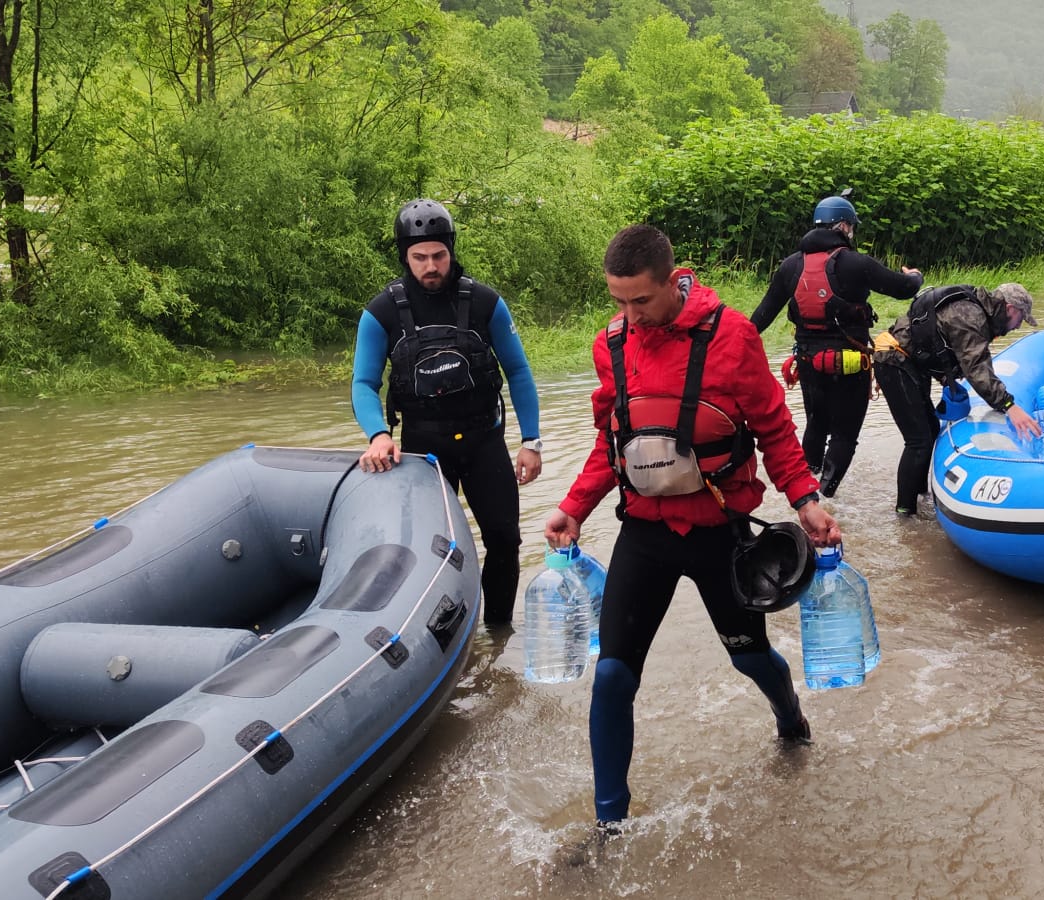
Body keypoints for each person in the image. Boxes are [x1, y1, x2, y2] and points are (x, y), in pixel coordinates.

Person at [543, 224, 841, 832]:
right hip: (646, 532)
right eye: (617, 301)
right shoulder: (612, 345)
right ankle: (609, 825)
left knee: (749, 657)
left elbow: (775, 430)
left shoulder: (731, 336)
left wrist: (806, 498)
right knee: (612, 675)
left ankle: (789, 716)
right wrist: (574, 507)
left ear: (671, 281)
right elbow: (612, 443)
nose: (629, 314)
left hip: (721, 533)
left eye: (641, 301)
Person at [352, 198, 543, 628]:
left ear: (451, 250)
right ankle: (435, 637)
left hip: (484, 443)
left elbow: (518, 371)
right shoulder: (380, 313)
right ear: (405, 256)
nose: (431, 265)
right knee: (425, 548)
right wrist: (378, 435)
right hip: (423, 450)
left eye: (439, 255)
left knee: (504, 540)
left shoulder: (484, 303)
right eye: (420, 257)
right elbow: (363, 384)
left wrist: (531, 441)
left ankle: (497, 631)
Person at [749, 195, 924, 497]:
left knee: (815, 427)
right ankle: (826, 498)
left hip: (808, 364)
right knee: (844, 435)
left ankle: (804, 492)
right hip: (850, 363)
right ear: (843, 225)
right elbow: (903, 289)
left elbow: (760, 318)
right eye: (851, 227)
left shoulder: (791, 266)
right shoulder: (857, 263)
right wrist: (915, 276)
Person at [871, 282, 1043, 516]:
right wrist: (1009, 405)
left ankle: (919, 495)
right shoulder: (971, 315)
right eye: (1020, 319)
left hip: (907, 362)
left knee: (930, 430)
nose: (1017, 326)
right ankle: (905, 513)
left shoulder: (975, 309)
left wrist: (946, 376)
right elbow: (977, 368)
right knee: (919, 440)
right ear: (1010, 308)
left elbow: (943, 343)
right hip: (894, 361)